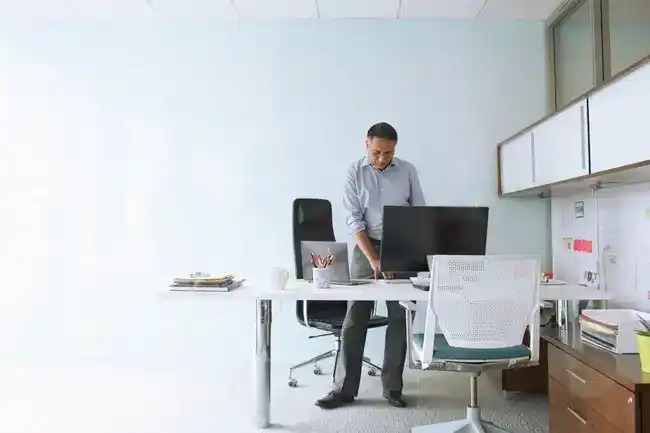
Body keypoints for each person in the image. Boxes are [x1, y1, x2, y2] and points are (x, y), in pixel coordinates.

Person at [315, 122, 425, 410]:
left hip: (401, 247)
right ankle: (343, 389)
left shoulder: (407, 171)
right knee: (355, 316)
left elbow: (419, 214)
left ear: (395, 149)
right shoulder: (354, 172)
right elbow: (354, 220)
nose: (381, 158)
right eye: (376, 152)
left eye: (387, 153)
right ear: (366, 144)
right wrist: (373, 258)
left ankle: (393, 388)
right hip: (365, 246)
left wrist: (404, 253)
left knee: (401, 317)